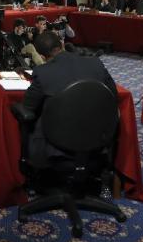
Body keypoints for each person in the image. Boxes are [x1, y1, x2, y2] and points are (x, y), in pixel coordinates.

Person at [22, 32, 117, 166]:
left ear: (42, 57)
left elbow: (27, 108)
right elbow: (113, 97)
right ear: (62, 44)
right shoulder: (96, 63)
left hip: (56, 148)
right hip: (98, 140)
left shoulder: (42, 72)